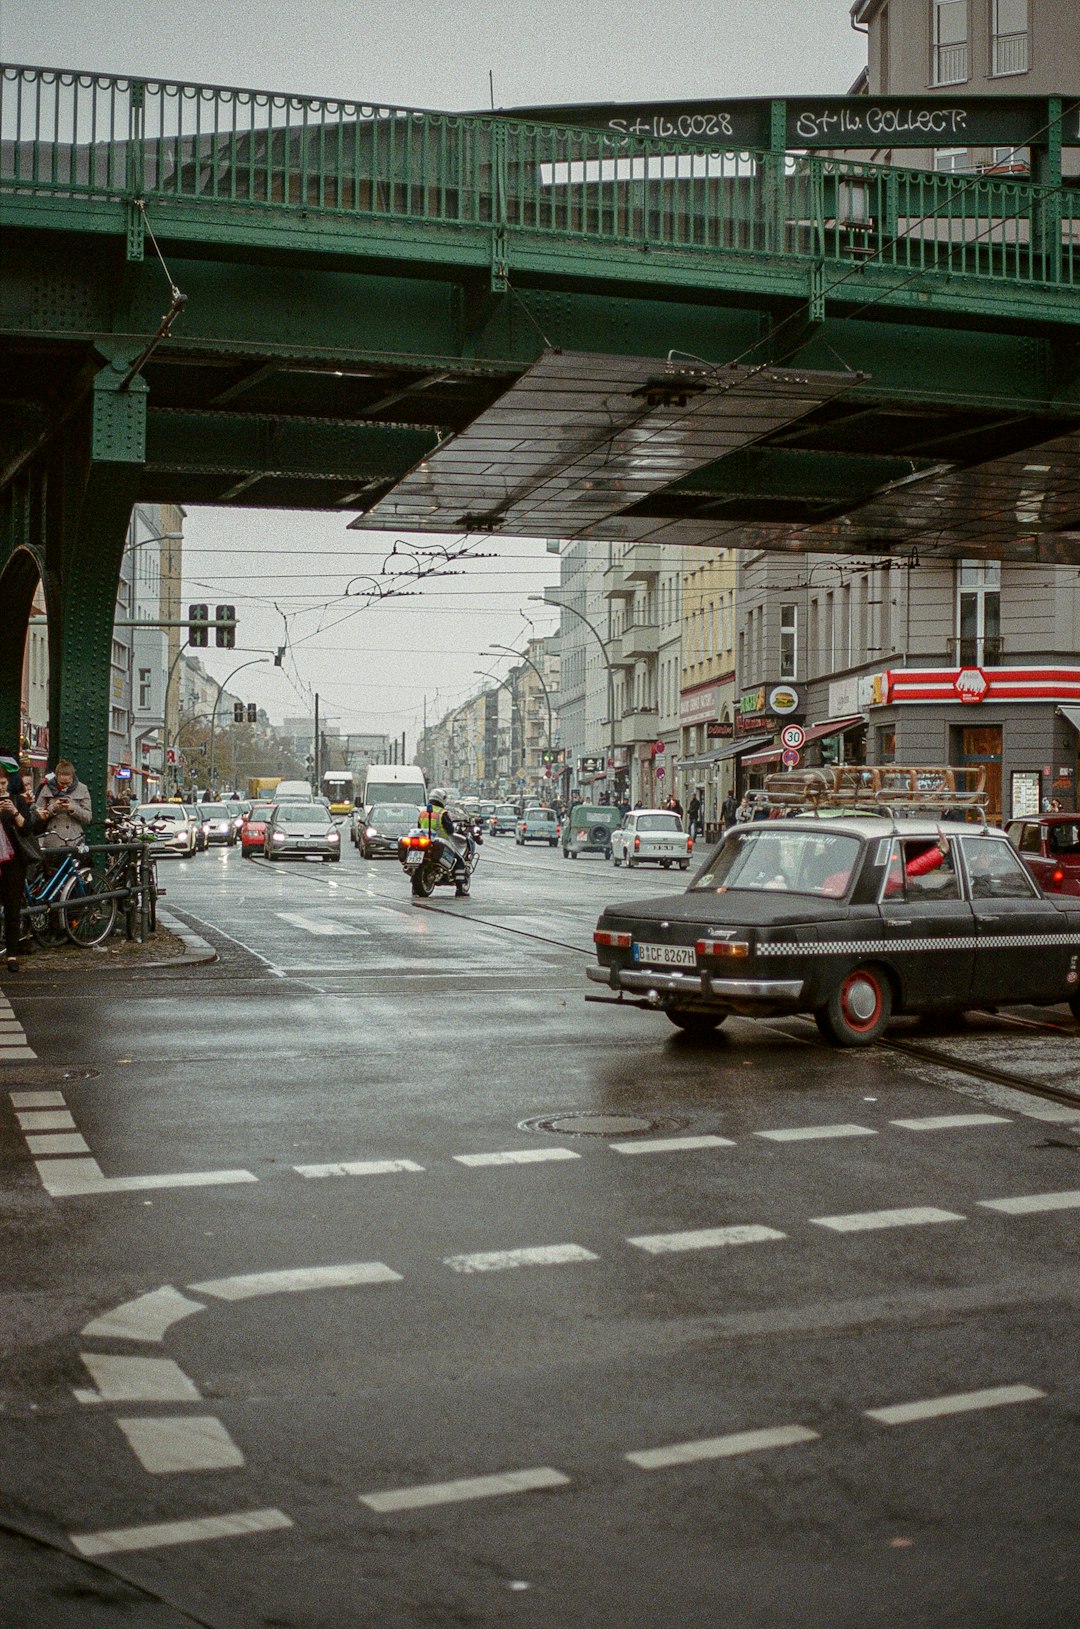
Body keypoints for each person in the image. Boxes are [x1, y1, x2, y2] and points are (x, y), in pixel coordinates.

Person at [0, 763, 36, 973]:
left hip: (13, 863)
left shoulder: (17, 801)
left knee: (13, 908)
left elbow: (27, 829)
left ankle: (12, 954)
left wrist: (14, 812)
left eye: (3, 783)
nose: (0, 788)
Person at [35, 759, 92, 855]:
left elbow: (88, 817)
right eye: (61, 784)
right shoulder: (46, 788)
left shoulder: (82, 789)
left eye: (68, 784)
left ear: (72, 778)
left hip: (74, 839)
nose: (65, 787)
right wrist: (53, 808)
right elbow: (37, 814)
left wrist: (73, 809)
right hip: (53, 839)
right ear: (56, 778)